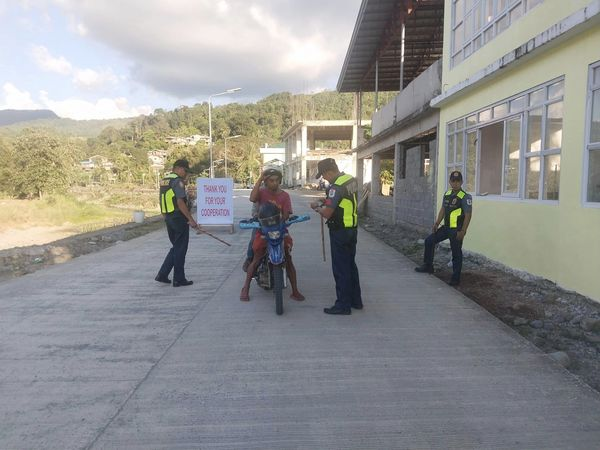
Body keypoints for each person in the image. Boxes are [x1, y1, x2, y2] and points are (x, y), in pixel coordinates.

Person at [240, 168, 305, 302]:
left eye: (276, 180)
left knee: (288, 257)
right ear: (266, 181)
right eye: (271, 180)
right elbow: (252, 198)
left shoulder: (285, 196)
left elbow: (287, 213)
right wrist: (259, 179)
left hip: (280, 229)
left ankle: (295, 290)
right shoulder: (261, 193)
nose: (274, 183)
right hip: (263, 229)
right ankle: (245, 288)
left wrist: (284, 220)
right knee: (256, 257)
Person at [310, 158, 362, 315]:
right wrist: (323, 199)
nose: (324, 178)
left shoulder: (336, 186)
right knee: (351, 266)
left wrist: (318, 207)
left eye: (324, 175)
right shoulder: (350, 180)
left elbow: (327, 212)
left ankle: (343, 305)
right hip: (351, 228)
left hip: (340, 231)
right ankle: (355, 301)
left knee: (341, 269)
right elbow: (341, 200)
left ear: (329, 171)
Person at [415, 170, 472, 286]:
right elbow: (443, 210)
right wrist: (436, 223)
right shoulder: (447, 194)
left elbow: (468, 215)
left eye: (458, 181)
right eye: (453, 181)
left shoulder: (465, 197)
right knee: (429, 241)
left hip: (456, 230)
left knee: (456, 253)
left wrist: (463, 231)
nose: (455, 183)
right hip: (446, 228)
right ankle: (428, 266)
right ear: (450, 182)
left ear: (461, 182)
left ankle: (455, 279)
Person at [155, 159, 200, 287]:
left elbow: (162, 199)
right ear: (179, 168)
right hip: (178, 218)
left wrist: (165, 216)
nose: (186, 174)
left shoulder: (165, 180)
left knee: (176, 247)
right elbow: (180, 202)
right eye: (186, 171)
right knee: (180, 249)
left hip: (169, 216)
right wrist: (191, 220)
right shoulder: (177, 181)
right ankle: (179, 279)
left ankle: (162, 274)